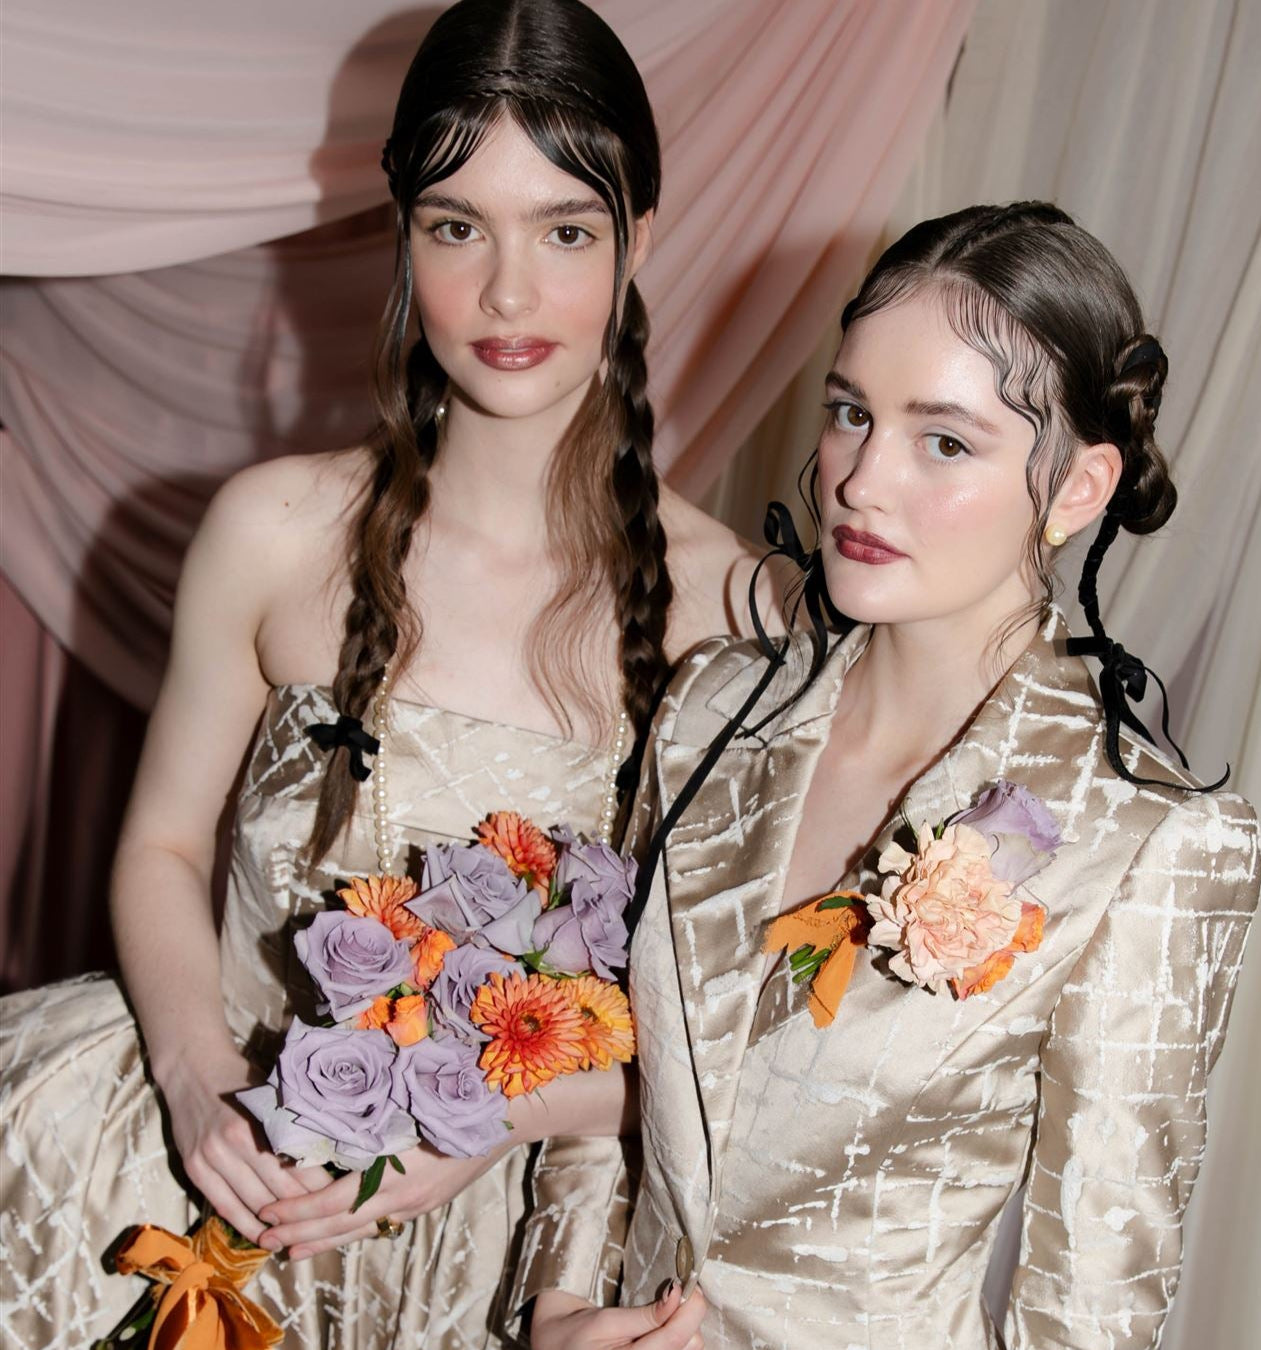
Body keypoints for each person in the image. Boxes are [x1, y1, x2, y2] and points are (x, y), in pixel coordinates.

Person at [0, 2, 763, 1346]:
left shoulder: (727, 611)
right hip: (177, 1169)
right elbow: (163, 847)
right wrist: (194, 1083)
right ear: (404, 234)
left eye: (565, 231)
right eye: (458, 225)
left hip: (502, 1257)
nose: (508, 294)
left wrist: (492, 1122)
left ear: (639, 238)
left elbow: (727, 1040)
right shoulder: (270, 531)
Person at [527, 202, 1261, 1349]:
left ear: (1077, 489)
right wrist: (556, 1304)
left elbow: (1092, 1310)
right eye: (849, 413)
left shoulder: (1148, 840)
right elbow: (606, 1047)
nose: (861, 481)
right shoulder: (711, 708)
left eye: (946, 440)